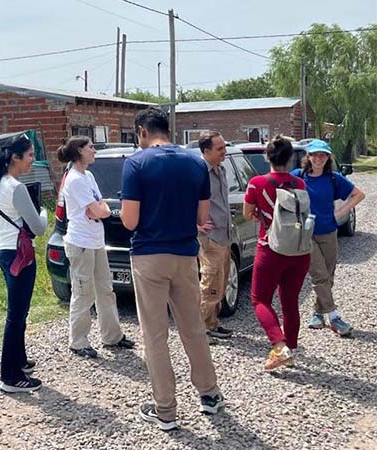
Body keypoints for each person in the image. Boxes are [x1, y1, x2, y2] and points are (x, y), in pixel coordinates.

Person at [121, 108, 223, 431]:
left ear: (141, 132)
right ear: (168, 129)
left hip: (149, 256)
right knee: (193, 327)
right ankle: (209, 394)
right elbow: (201, 217)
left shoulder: (135, 163)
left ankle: (165, 409)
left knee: (155, 335)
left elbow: (130, 221)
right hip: (185, 254)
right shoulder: (195, 161)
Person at [0, 134, 48, 393]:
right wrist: (43, 211)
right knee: (16, 316)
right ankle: (10, 376)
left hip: (4, 251)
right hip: (20, 256)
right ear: (15, 158)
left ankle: (20, 361)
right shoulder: (16, 188)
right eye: (30, 155)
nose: (33, 160)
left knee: (18, 312)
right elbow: (38, 228)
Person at [57, 136, 135, 360]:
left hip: (96, 242)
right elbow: (98, 210)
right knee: (83, 293)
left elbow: (101, 207)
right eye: (90, 147)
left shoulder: (89, 175)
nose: (94, 150)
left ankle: (112, 336)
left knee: (106, 290)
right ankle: (78, 341)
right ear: (79, 151)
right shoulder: (75, 179)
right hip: (80, 243)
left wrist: (100, 209)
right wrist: (100, 209)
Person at [243, 136, 310, 370]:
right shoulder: (299, 184)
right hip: (299, 250)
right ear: (291, 158)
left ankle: (280, 348)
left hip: (270, 249)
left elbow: (247, 212)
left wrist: (261, 215)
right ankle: (290, 351)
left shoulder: (257, 182)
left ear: (267, 157)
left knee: (260, 299)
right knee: (290, 302)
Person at [292, 139, 366, 336]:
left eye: (322, 155)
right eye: (314, 155)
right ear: (308, 157)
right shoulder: (298, 177)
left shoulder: (334, 179)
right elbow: (275, 188)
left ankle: (317, 314)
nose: (318, 158)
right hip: (306, 234)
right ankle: (334, 318)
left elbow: (358, 195)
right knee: (319, 275)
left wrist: (340, 212)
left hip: (329, 232)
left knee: (328, 277)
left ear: (328, 158)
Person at [196, 131, 234, 343]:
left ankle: (212, 323)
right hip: (210, 237)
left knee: (221, 282)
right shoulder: (198, 172)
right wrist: (195, 223)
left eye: (224, 147)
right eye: (219, 149)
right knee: (210, 282)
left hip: (224, 235)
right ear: (206, 151)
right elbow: (183, 199)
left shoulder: (220, 170)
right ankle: (201, 330)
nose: (224, 152)